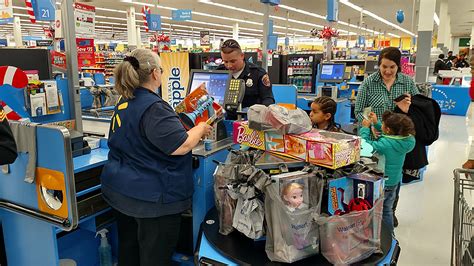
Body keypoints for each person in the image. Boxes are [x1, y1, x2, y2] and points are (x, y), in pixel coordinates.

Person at [100, 49, 212, 266]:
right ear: (154, 73)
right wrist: (200, 128)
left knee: (129, 250)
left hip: (121, 192)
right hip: (151, 201)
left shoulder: (125, 100)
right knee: (155, 258)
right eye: (161, 70)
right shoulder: (154, 107)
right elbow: (181, 145)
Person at [355, 47, 419, 227]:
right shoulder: (369, 83)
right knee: (373, 176)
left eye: (392, 67)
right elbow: (359, 110)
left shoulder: (407, 83)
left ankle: (390, 211)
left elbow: (420, 108)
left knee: (393, 178)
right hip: (375, 138)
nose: (388, 71)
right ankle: (376, 211)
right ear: (379, 65)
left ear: (398, 66)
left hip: (397, 139)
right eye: (384, 67)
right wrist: (370, 125)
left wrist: (408, 109)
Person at [360, 111, 416, 235]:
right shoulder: (409, 140)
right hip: (395, 181)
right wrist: (377, 123)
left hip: (383, 183)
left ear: (388, 130)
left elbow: (365, 146)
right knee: (388, 209)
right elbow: (392, 134)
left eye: (383, 125)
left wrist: (365, 129)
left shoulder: (385, 144)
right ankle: (390, 235)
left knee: (381, 210)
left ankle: (385, 235)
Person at [217, 39, 275, 119]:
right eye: (225, 62)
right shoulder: (219, 72)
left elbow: (268, 99)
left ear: (242, 56)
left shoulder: (258, 73)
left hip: (250, 122)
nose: (229, 65)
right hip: (223, 120)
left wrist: (258, 112)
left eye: (233, 61)